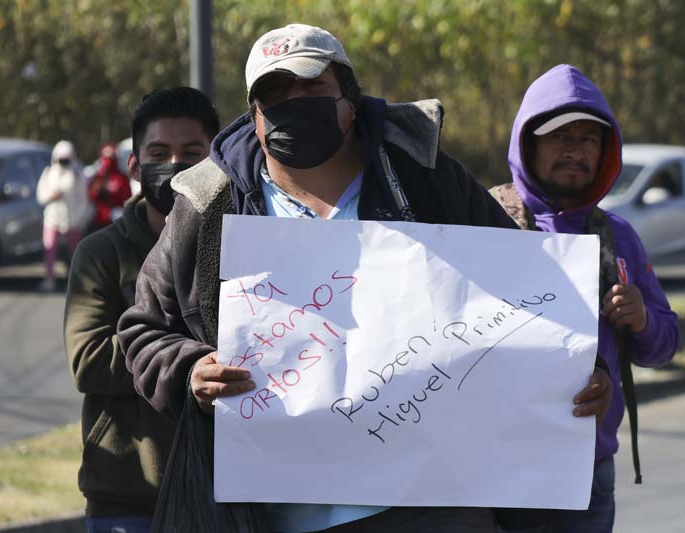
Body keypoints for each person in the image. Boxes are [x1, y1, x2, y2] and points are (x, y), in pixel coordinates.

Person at [117, 25, 612, 533]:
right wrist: (190, 371)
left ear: (350, 99)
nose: (296, 104)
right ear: (255, 116)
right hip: (274, 511)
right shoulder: (208, 205)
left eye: (313, 89)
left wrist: (581, 368)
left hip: (433, 504)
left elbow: (530, 292)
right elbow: (142, 330)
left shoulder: (425, 179)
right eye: (276, 95)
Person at [493, 64, 679, 533]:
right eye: (560, 136)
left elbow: (665, 345)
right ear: (527, 143)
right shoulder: (482, 221)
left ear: (605, 151)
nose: (575, 150)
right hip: (491, 470)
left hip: (589, 473)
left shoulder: (618, 236)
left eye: (589, 139)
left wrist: (641, 321)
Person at [64, 87, 220, 533]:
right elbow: (88, 361)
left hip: (223, 491)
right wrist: (186, 353)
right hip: (130, 497)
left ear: (215, 162)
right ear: (134, 166)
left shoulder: (242, 242)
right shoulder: (101, 254)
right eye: (159, 152)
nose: (175, 166)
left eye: (192, 152)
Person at [37, 140, 90, 291]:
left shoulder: (78, 175)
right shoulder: (49, 173)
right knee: (49, 249)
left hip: (72, 221)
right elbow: (41, 196)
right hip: (52, 219)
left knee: (75, 253)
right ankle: (49, 279)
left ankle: (77, 281)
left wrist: (78, 219)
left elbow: (83, 200)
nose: (63, 162)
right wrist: (54, 195)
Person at [87, 143, 133, 232]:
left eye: (111, 157)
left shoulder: (121, 177)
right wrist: (97, 191)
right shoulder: (98, 176)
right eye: (106, 157)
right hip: (99, 219)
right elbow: (91, 196)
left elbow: (127, 195)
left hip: (115, 219)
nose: (108, 161)